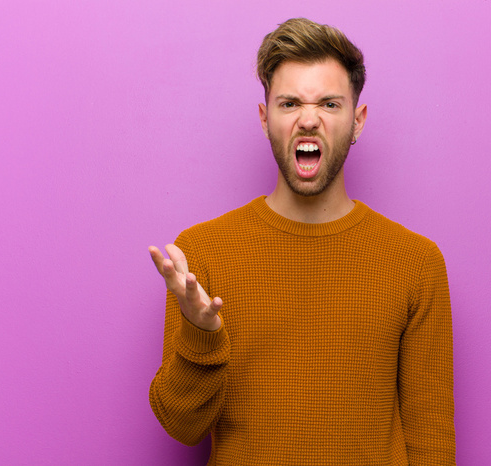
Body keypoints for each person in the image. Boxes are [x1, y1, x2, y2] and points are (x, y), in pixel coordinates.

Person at [148, 17, 455, 465]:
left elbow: (431, 442)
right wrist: (202, 336)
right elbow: (181, 427)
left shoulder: (415, 262)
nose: (308, 120)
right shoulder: (203, 253)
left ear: (358, 121)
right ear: (264, 117)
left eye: (329, 104)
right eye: (290, 103)